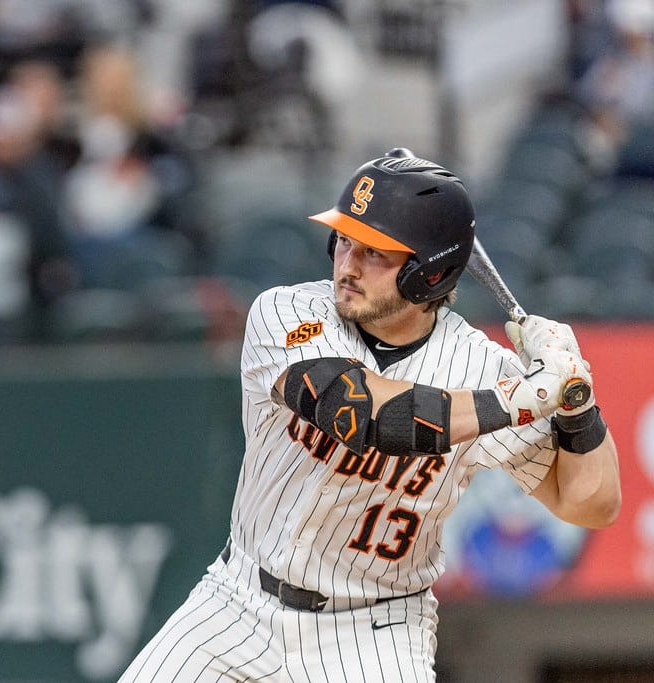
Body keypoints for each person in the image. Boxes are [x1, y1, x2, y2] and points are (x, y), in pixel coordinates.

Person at [119, 148, 621, 681]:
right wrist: (520, 401)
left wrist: (575, 401)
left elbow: (591, 503)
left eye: (375, 253)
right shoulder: (287, 312)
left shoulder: (477, 367)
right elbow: (361, 414)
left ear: (428, 274)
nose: (348, 265)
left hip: (374, 634)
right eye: (343, 241)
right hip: (238, 602)